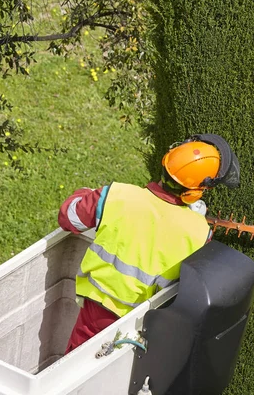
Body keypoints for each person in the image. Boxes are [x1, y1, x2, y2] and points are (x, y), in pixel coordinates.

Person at [58, 133, 240, 353]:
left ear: (166, 162)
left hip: (95, 313)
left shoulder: (117, 196)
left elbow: (69, 217)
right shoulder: (200, 233)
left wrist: (87, 194)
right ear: (194, 193)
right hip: (144, 328)